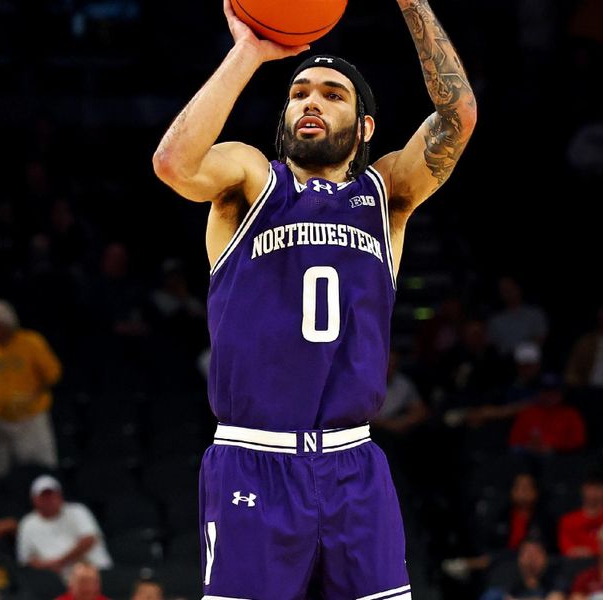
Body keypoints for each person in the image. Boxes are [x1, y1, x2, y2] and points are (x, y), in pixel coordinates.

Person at [152, 0, 476, 596]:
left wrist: (412, 3)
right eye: (299, 92)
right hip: (254, 460)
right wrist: (248, 52)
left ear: (365, 127)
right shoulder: (251, 181)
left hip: (355, 465)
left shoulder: (387, 197)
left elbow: (457, 117)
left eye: (332, 94)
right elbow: (174, 163)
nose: (310, 102)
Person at [0, 300, 62, 479]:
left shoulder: (31, 342)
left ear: (5, 324)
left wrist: (35, 391)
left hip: (30, 418)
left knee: (39, 467)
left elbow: (53, 373)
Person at [16, 476, 112, 581]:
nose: (49, 501)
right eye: (44, 497)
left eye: (52, 495)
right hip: (58, 580)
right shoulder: (27, 523)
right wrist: (48, 566)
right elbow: (26, 559)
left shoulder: (77, 510)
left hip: (96, 571)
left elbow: (89, 540)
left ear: (60, 496)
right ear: (34, 500)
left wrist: (62, 561)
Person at [509, 375, 587, 455]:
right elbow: (514, 443)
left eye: (554, 392)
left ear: (561, 394)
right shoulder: (527, 413)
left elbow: (578, 444)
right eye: (546, 391)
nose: (549, 396)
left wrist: (553, 449)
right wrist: (529, 448)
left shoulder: (571, 415)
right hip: (528, 459)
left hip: (561, 460)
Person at [480, 537, 567, 600]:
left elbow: (558, 596)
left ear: (545, 558)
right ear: (519, 558)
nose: (532, 559)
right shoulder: (505, 578)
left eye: (536, 553)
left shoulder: (556, 578)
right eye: (527, 553)